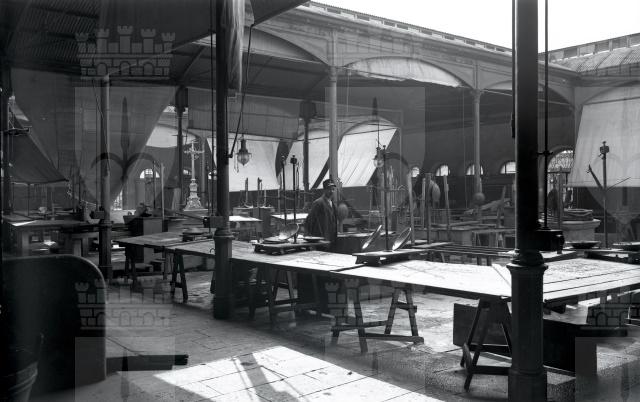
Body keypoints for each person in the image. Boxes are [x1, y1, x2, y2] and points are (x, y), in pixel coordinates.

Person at [304, 178, 338, 247]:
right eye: (329, 189)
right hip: (321, 241)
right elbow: (309, 221)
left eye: (333, 189)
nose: (331, 191)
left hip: (331, 241)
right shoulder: (318, 203)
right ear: (324, 190)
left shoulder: (333, 205)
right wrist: (312, 238)